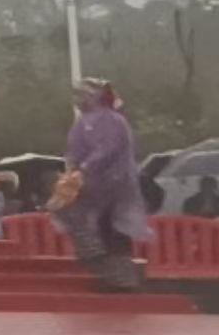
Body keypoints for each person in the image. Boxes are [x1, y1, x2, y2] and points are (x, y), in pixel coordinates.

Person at [54, 78, 150, 286]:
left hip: (113, 184)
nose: (76, 100)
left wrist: (85, 167)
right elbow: (74, 150)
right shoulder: (83, 122)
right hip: (90, 184)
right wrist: (71, 168)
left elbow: (108, 149)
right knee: (73, 213)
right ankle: (101, 264)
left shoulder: (112, 120)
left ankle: (121, 276)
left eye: (80, 95)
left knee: (114, 228)